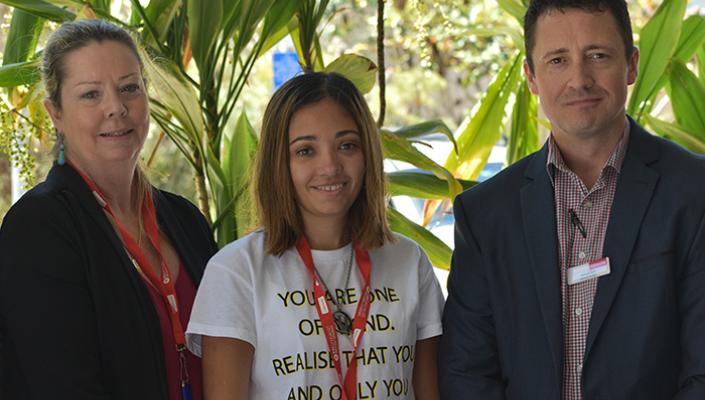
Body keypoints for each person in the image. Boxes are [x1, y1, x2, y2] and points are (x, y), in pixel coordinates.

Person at [439, 1, 705, 399]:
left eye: (597, 55)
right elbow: (467, 373)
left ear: (631, 65)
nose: (579, 79)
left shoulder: (692, 191)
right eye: (557, 60)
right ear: (531, 76)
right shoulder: (485, 214)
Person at [186, 72, 444, 400]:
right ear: (280, 162)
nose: (330, 166)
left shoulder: (409, 261)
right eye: (306, 150)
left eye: (347, 145)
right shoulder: (237, 270)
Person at [0, 19, 217, 400]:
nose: (116, 107)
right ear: (56, 114)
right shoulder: (38, 229)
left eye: (129, 88)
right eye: (90, 95)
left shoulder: (186, 220)